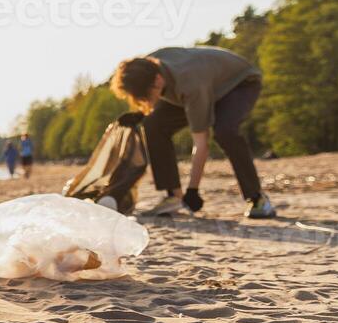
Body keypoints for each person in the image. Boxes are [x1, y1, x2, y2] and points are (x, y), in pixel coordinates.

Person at [110, 46, 276, 219]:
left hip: (239, 83)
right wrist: (140, 114)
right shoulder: (145, 68)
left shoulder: (191, 86)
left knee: (225, 131)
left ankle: (257, 197)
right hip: (204, 81)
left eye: (144, 97)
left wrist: (193, 190)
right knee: (153, 124)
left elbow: (201, 143)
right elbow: (150, 96)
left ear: (158, 81)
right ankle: (174, 196)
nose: (143, 101)